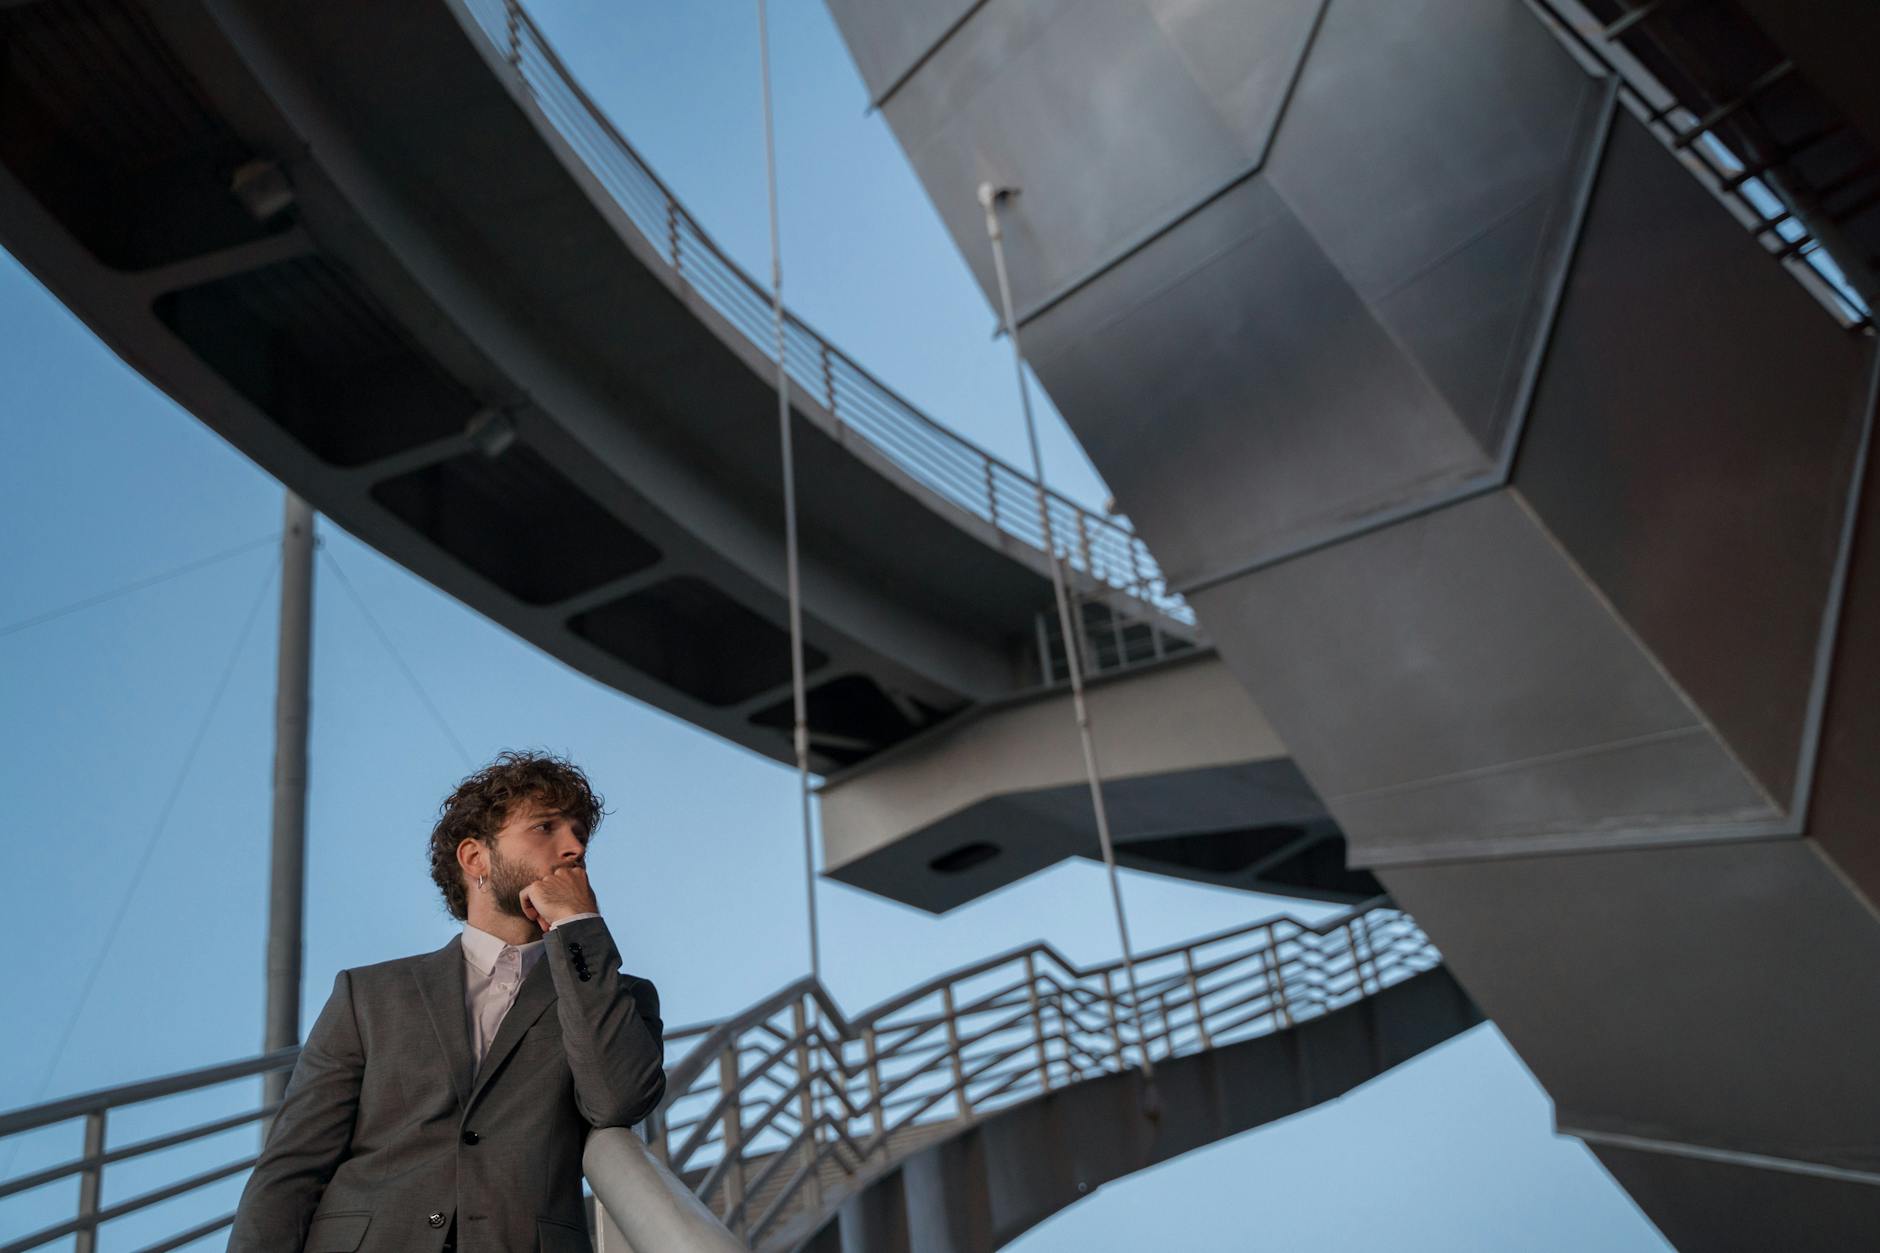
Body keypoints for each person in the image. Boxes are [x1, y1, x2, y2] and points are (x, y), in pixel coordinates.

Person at [228, 751, 666, 1253]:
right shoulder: (368, 994)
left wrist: (578, 929)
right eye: (545, 827)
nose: (573, 848)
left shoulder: (621, 998)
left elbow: (617, 1101)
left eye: (579, 835)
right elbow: (291, 1170)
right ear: (475, 859)